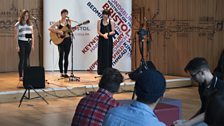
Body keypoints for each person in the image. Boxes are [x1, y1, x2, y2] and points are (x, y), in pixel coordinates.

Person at [175, 57, 224, 126]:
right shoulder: (202, 86)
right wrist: (188, 121)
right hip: (206, 119)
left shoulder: (221, 87)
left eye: (193, 76)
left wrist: (187, 124)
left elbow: (210, 112)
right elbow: (204, 109)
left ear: (202, 73)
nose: (192, 79)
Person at [49, 9, 76, 78]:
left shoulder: (69, 22)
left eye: (66, 13)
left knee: (66, 56)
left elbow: (69, 31)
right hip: (60, 41)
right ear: (61, 14)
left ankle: (65, 72)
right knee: (61, 56)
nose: (65, 15)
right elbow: (50, 28)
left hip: (68, 40)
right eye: (64, 13)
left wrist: (75, 28)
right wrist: (58, 32)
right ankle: (61, 72)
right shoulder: (59, 22)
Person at [15, 9, 34, 81]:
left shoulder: (30, 24)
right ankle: (20, 75)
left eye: (28, 15)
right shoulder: (18, 24)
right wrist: (17, 46)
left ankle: (26, 75)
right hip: (21, 42)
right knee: (22, 59)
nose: (27, 17)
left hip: (28, 42)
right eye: (25, 15)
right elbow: (16, 35)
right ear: (22, 15)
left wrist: (32, 44)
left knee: (27, 59)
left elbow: (32, 35)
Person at [97, 9, 115, 75]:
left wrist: (107, 34)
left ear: (108, 15)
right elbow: (98, 31)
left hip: (108, 40)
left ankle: (108, 71)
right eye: (104, 14)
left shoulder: (111, 21)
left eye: (106, 14)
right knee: (101, 54)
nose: (105, 16)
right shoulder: (99, 21)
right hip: (102, 40)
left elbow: (113, 31)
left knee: (108, 55)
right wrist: (103, 35)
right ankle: (101, 71)